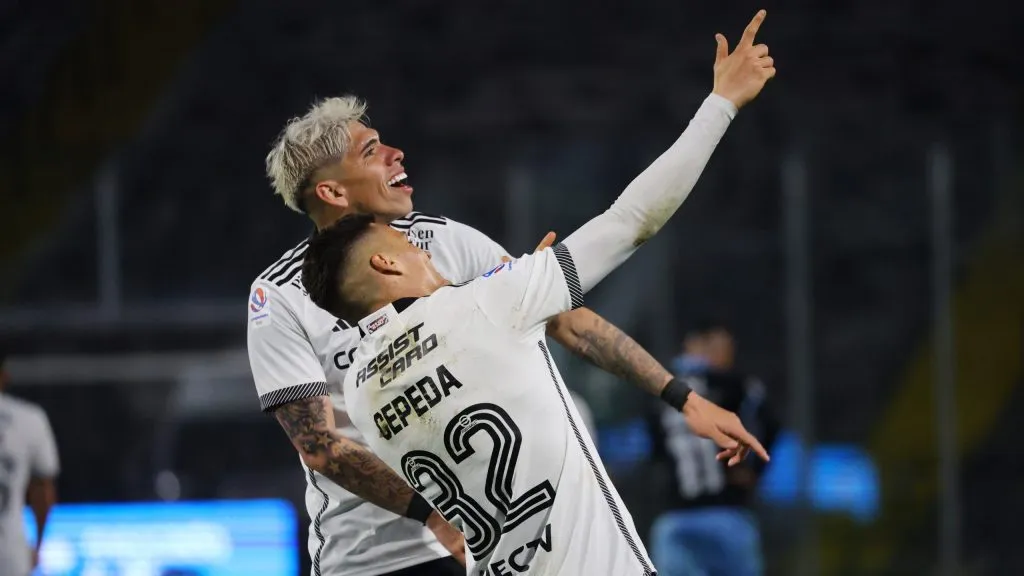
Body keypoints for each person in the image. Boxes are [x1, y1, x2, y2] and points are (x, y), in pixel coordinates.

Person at [248, 10, 774, 576]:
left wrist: (681, 397)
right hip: (374, 557)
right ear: (331, 191)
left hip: (481, 543)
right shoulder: (279, 297)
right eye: (371, 149)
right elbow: (322, 446)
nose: (396, 153)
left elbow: (562, 322)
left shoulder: (375, 368)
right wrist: (519, 289)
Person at [648, 320, 781, 576]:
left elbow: (652, 448)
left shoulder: (657, 389)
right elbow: (771, 423)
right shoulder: (733, 382)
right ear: (704, 344)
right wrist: (753, 472)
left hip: (675, 517)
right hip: (727, 513)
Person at [0, 352, 60, 576]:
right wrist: (38, 544)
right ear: (5, 376)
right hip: (8, 556)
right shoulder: (29, 419)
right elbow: (43, 493)